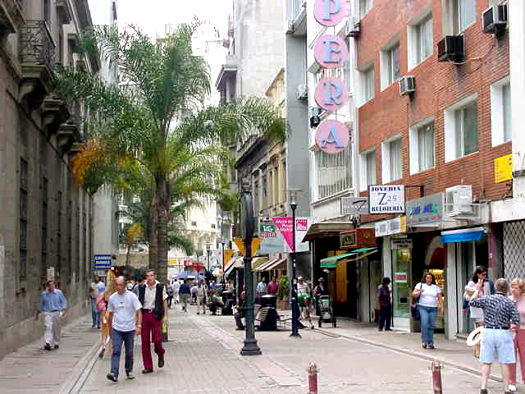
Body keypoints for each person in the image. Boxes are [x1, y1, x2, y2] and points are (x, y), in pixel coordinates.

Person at [470, 278, 520, 394]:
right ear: (507, 289)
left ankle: (483, 387)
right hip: (503, 332)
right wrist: (513, 327)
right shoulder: (509, 302)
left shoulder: (487, 299)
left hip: (488, 331)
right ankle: (506, 388)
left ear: (495, 288)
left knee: (486, 362)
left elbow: (472, 302)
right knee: (504, 362)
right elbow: (516, 320)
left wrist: (477, 290)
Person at [106, 276, 142, 382]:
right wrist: (110, 331)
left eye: (120, 285)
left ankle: (128, 370)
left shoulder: (132, 296)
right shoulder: (112, 298)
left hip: (130, 329)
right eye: (116, 284)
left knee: (129, 352)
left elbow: (139, 311)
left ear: (125, 285)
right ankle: (114, 373)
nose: (118, 287)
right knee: (116, 350)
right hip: (117, 328)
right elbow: (110, 315)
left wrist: (139, 326)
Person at [138, 270, 168, 374]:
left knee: (157, 339)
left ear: (155, 276)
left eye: (151, 275)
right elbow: (138, 304)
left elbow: (164, 301)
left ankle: (160, 353)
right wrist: (137, 321)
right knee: (145, 341)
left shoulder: (160, 287)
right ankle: (148, 366)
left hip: (156, 315)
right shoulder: (141, 287)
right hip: (145, 314)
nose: (150, 278)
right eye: (148, 276)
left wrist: (165, 317)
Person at [464, 266, 496, 358]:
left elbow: (491, 295)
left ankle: (479, 349)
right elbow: (466, 297)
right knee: (480, 330)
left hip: (487, 309)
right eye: (483, 274)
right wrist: (476, 291)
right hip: (477, 310)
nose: (485, 276)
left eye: (485, 274)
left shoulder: (488, 283)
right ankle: (478, 350)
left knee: (484, 331)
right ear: (478, 274)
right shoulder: (472, 283)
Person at [412, 273, 443, 349]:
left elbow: (439, 297)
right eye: (427, 278)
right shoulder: (420, 285)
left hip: (433, 308)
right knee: (424, 324)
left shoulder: (435, 287)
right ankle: (424, 341)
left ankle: (430, 342)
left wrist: (441, 307)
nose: (429, 279)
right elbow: (413, 294)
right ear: (425, 278)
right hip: (423, 307)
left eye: (430, 278)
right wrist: (420, 292)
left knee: (431, 325)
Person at [35, 280, 67, 351]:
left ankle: (56, 342)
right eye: (50, 285)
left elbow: (63, 301)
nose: (51, 287)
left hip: (57, 312)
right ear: (47, 286)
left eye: (53, 285)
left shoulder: (59, 293)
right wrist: (37, 313)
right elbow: (41, 305)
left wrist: (64, 310)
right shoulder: (44, 294)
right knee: (48, 327)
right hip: (48, 312)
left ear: (55, 286)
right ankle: (48, 343)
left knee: (56, 328)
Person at [509, 278, 525, 390]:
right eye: (512, 287)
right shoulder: (508, 300)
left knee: (524, 357)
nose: (513, 290)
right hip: (510, 332)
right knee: (511, 357)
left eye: (516, 288)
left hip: (523, 330)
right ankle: (511, 382)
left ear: (521, 289)